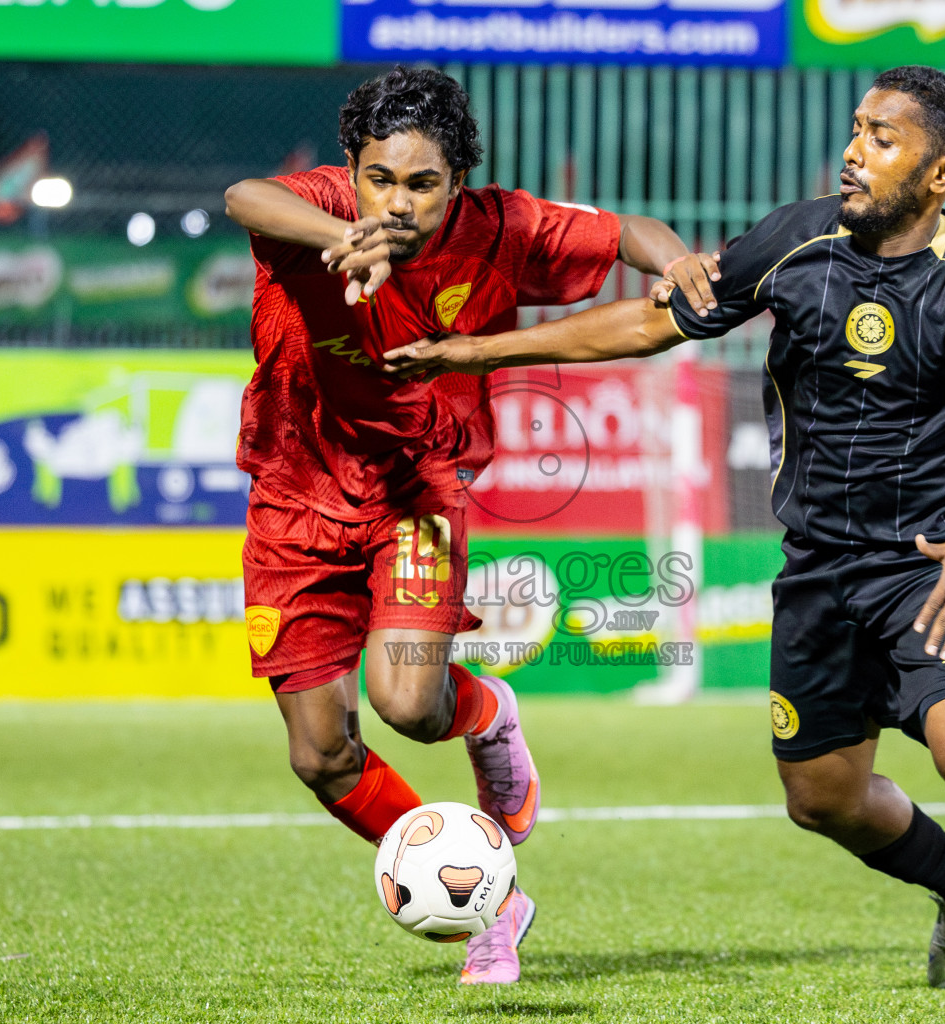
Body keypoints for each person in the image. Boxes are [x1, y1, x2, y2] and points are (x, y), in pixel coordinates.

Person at [384, 66, 945, 1016]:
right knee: (823, 799)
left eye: (883, 139)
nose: (854, 150)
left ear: (943, 173)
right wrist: (477, 349)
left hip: (938, 566)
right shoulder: (797, 237)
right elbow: (650, 324)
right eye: (857, 129)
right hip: (819, 572)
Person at [222, 66, 712, 986]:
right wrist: (342, 239)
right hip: (293, 494)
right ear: (351, 170)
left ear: (460, 180)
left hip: (416, 488)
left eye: (422, 184)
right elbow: (242, 195)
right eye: (380, 178)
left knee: (409, 704)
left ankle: (486, 713)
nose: (396, 203)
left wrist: (675, 260)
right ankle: (495, 902)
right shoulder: (324, 209)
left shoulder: (507, 226)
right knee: (320, 754)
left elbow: (630, 235)